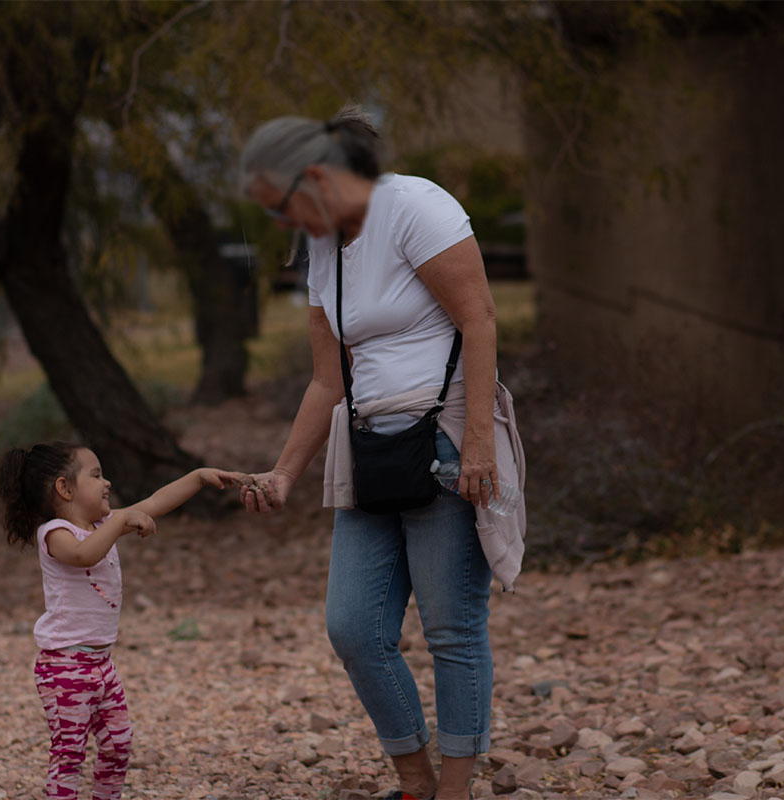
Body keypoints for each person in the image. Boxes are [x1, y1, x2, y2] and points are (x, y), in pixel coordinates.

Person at [237, 108, 526, 800]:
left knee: (451, 627)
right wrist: (284, 473)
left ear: (312, 176)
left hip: (448, 439)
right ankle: (414, 779)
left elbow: (478, 318)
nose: (282, 225)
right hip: (369, 449)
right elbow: (327, 378)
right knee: (354, 627)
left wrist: (480, 444)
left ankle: (453, 788)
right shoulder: (324, 248)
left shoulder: (415, 206)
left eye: (279, 208)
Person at [0, 441, 244, 800]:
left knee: (118, 745)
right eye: (96, 475)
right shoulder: (55, 533)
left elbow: (155, 502)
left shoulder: (102, 524)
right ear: (65, 488)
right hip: (64, 667)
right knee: (69, 754)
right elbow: (84, 554)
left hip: (101, 664)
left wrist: (197, 478)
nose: (106, 482)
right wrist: (123, 521)